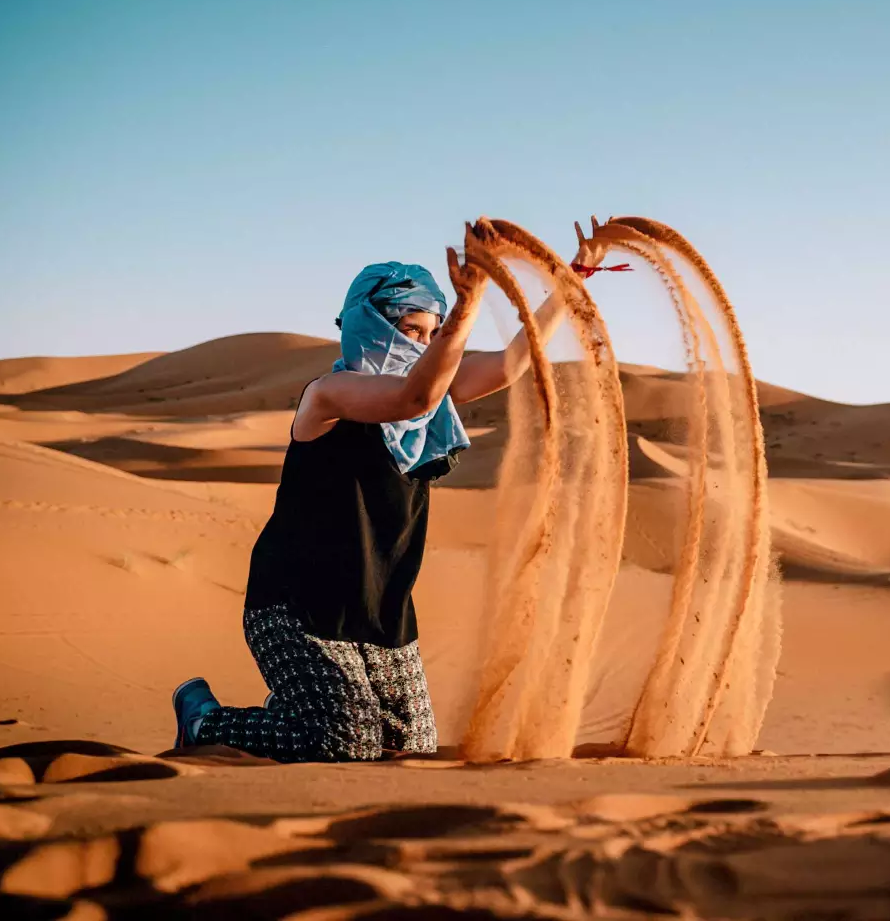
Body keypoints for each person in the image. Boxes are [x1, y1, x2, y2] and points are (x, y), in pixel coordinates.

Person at [171, 220, 610, 761]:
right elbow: (413, 397)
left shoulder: (431, 396)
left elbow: (510, 364)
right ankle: (206, 723)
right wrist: (467, 306)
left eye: (429, 333)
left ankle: (311, 707)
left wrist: (573, 280)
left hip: (381, 612)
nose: (421, 343)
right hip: (297, 608)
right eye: (410, 329)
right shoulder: (328, 396)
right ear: (369, 324)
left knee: (410, 748)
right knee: (345, 743)